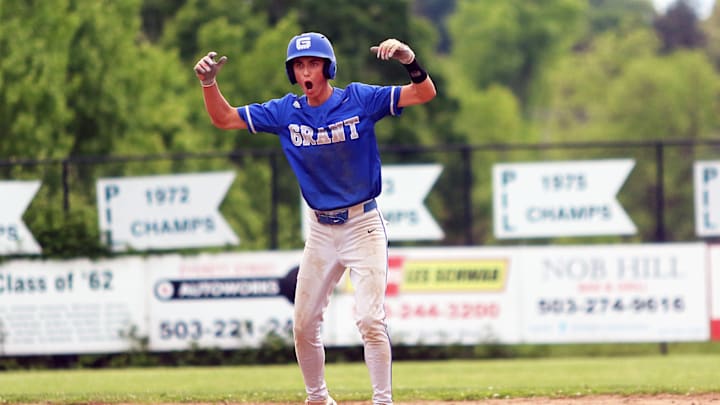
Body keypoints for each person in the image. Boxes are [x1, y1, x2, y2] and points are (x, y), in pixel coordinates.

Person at [194, 32, 436, 405]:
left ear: (328, 67)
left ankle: (383, 401)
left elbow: (424, 94)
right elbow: (224, 119)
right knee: (304, 324)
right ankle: (318, 399)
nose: (306, 70)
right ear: (293, 72)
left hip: (363, 224)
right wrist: (209, 84)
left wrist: (409, 60)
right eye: (300, 65)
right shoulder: (286, 112)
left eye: (313, 63)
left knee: (371, 320)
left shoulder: (360, 99)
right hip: (321, 230)